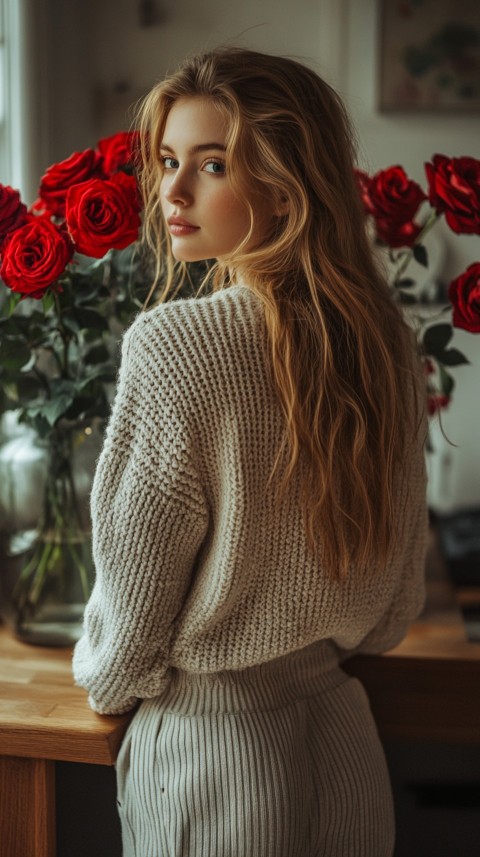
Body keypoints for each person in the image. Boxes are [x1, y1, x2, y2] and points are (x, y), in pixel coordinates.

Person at [73, 47, 428, 857]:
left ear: (285, 184)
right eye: (167, 161)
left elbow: (127, 633)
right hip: (344, 740)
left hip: (215, 753)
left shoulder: (176, 348)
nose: (171, 191)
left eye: (211, 164)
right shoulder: (386, 347)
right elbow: (392, 615)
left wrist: (103, 675)